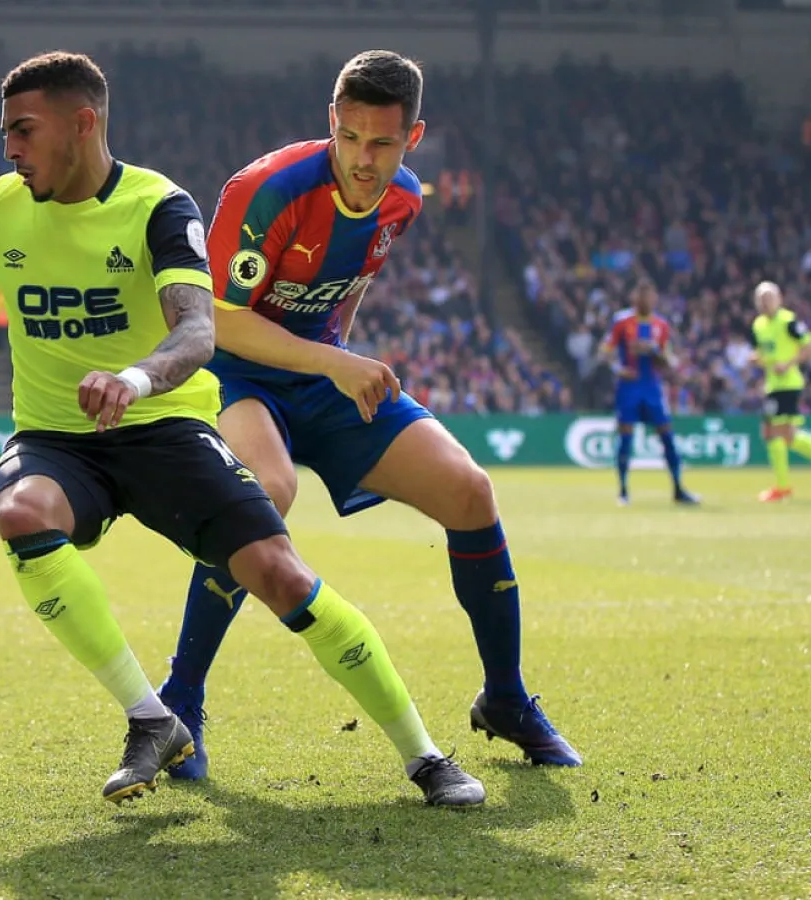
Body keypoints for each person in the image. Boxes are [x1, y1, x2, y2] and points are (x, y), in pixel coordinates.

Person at [0, 51, 484, 807]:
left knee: (279, 574)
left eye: (23, 130)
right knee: (20, 512)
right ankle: (153, 718)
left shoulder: (158, 206)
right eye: (6, 131)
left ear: (82, 125)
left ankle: (424, 755)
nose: (8, 147)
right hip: (56, 441)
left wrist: (135, 378)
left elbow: (198, 331)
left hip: (164, 428)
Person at [155, 50, 582, 782]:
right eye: (348, 137)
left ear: (412, 138)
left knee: (470, 492)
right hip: (235, 373)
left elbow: (352, 281)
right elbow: (218, 321)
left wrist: (337, 353)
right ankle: (180, 702)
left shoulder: (405, 198)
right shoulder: (266, 189)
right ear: (331, 121)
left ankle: (505, 698)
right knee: (265, 495)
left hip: (321, 372)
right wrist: (333, 361)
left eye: (381, 143)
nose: (362, 157)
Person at [599, 280, 700, 506]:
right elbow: (604, 351)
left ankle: (678, 489)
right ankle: (623, 491)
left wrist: (654, 350)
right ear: (635, 298)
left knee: (667, 436)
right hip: (629, 387)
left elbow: (668, 360)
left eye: (650, 296)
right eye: (642, 295)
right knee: (626, 437)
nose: (647, 300)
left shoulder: (661, 325)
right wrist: (618, 369)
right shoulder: (621, 321)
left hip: (652, 387)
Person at [749, 281, 811, 502]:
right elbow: (765, 353)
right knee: (780, 434)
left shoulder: (788, 321)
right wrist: (757, 359)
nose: (765, 303)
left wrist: (789, 363)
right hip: (773, 385)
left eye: (769, 298)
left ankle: (785, 486)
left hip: (788, 384)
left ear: (779, 299)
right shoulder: (758, 325)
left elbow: (810, 346)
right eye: (761, 299)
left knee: (776, 432)